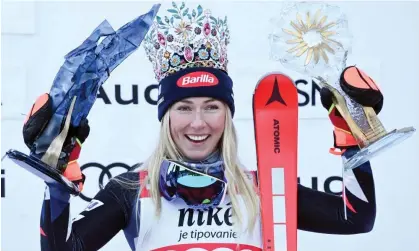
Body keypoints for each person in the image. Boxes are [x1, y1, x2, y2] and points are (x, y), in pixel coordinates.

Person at [23, 2, 379, 251]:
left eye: (212, 106)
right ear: (166, 117)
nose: (198, 122)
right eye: (183, 107)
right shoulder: (131, 189)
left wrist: (353, 143)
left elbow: (355, 219)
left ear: (227, 114)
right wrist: (57, 177)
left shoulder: (266, 189)